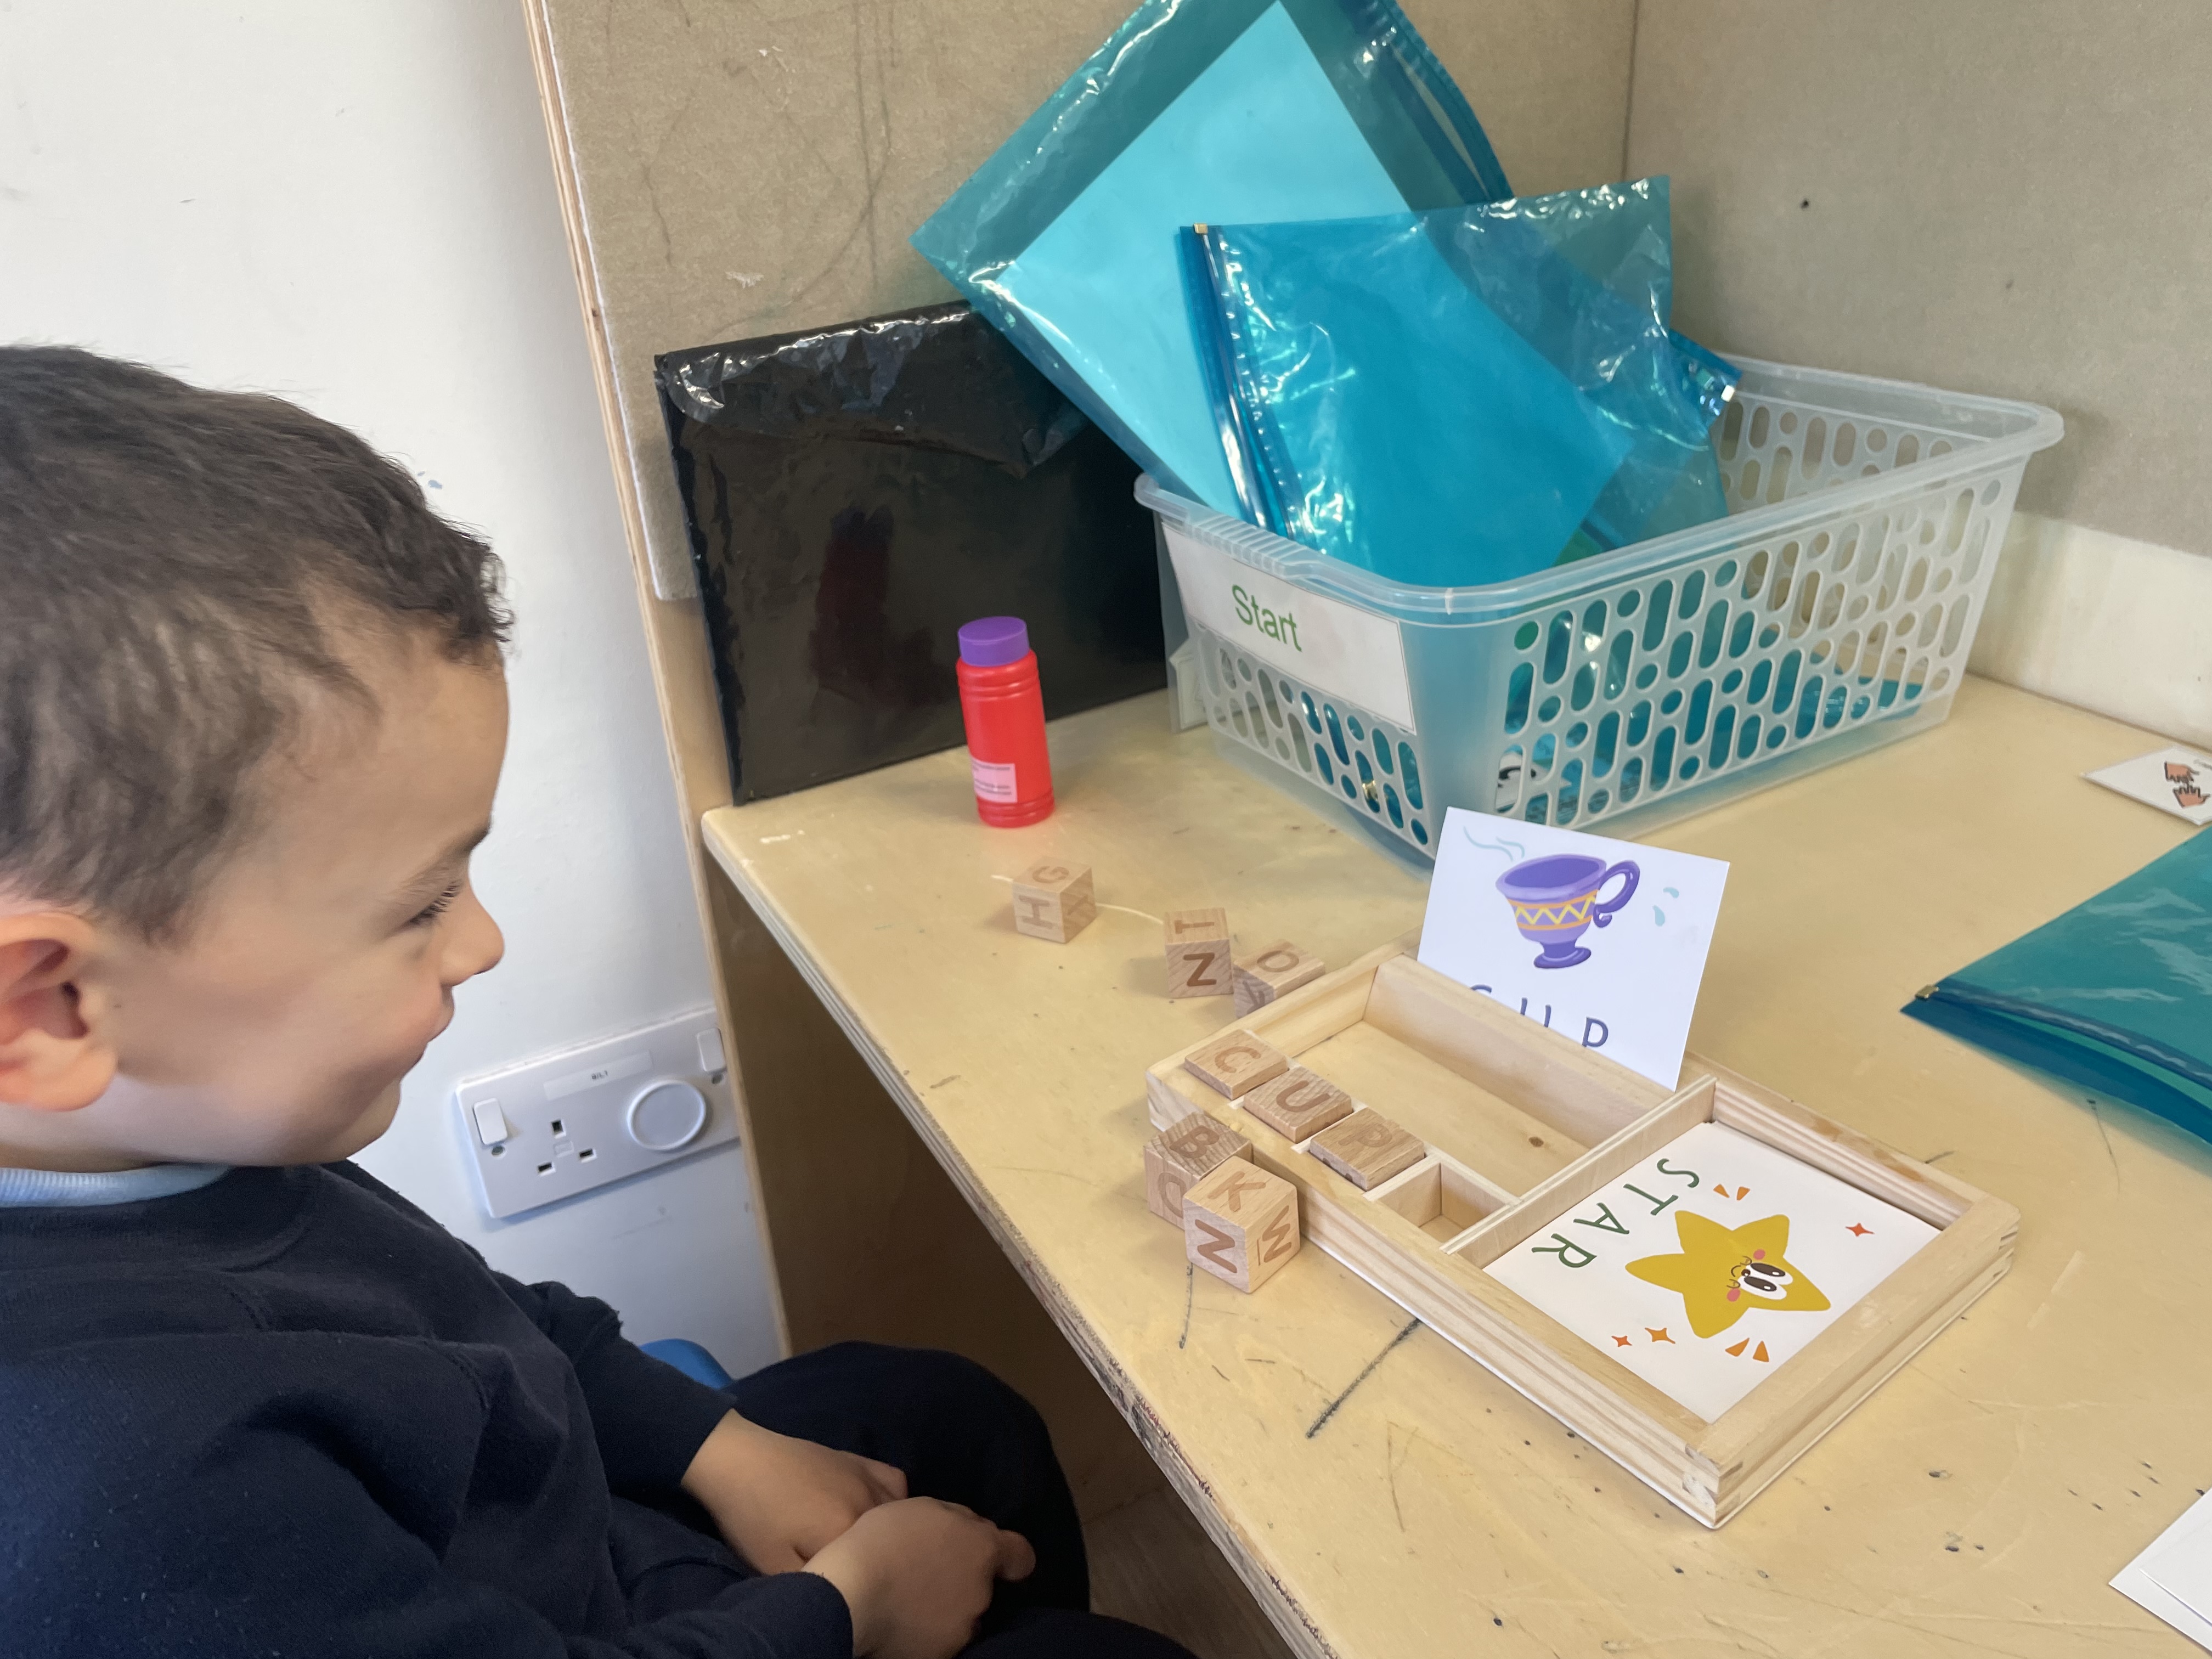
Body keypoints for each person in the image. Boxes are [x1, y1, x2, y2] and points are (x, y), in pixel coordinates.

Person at [0, 346, 1193, 1659]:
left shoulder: (177, 1134)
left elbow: (474, 1312)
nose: (482, 943)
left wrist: (715, 1443)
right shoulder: (126, 1500)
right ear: (51, 1010)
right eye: (420, 906)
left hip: (582, 1536)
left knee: (951, 1418)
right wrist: (854, 1611)